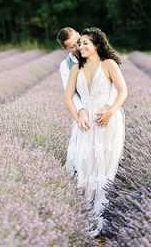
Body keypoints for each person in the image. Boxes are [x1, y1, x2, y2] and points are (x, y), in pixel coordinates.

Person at [59, 26, 127, 238]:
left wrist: (111, 110)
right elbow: (68, 97)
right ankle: (85, 218)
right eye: (77, 45)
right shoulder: (73, 69)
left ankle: (104, 220)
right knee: (84, 166)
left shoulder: (109, 64)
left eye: (83, 43)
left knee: (104, 169)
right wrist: (78, 114)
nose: (79, 47)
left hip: (107, 122)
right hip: (85, 122)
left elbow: (123, 90)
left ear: (97, 45)